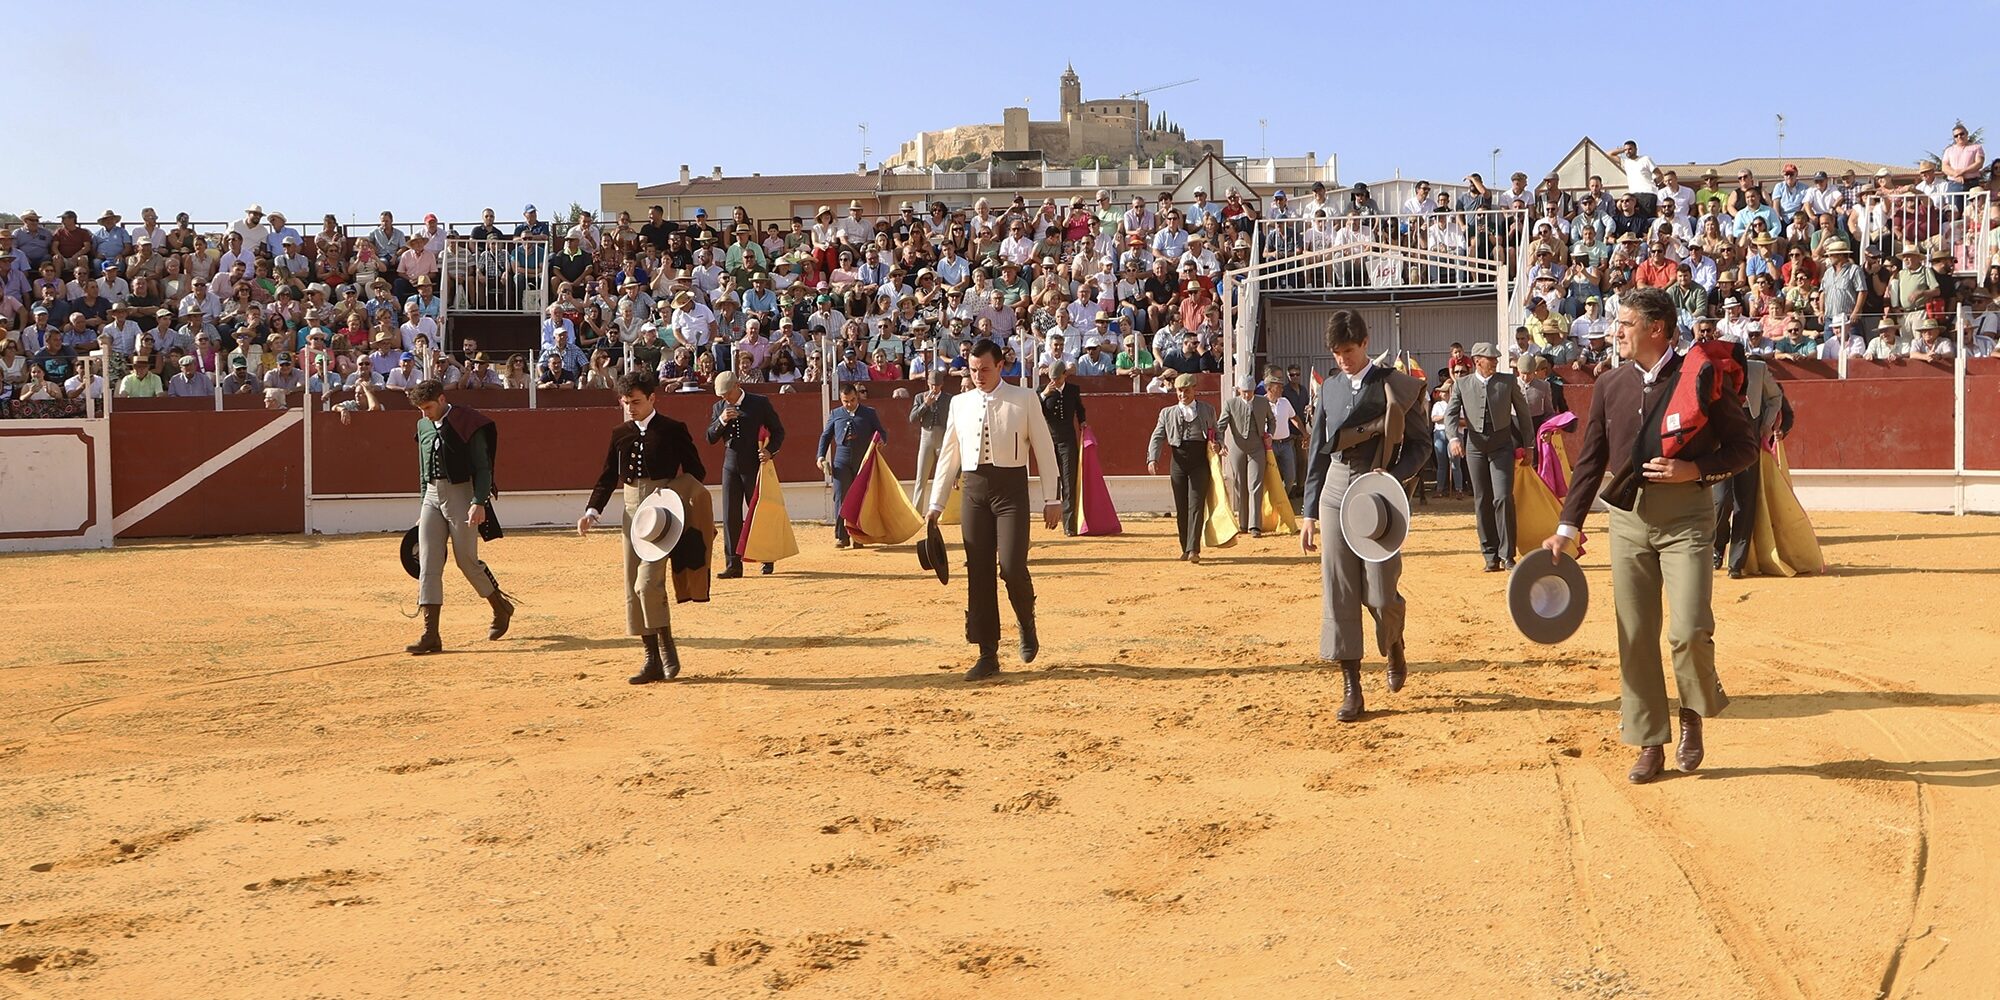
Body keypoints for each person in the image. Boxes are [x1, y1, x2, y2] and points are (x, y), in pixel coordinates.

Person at [1540, 287, 1758, 784]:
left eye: (1625, 324)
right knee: (1635, 634)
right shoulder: (1610, 383)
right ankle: (1649, 740)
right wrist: (1567, 528)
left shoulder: (1700, 375)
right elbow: (1590, 461)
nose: (1615, 331)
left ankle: (1692, 712)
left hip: (1687, 520)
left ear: (1656, 329)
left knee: (1689, 629)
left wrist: (1694, 470)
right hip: (1628, 522)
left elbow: (1744, 447)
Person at [1299, 310, 1430, 723]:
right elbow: (1318, 452)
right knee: (1339, 588)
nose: (1343, 360)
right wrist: (1309, 513)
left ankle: (1394, 645)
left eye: (1349, 351)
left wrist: (1392, 477)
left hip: (1376, 491)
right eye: (1337, 353)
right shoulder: (1330, 388)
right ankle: (1351, 687)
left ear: (1365, 343)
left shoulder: (1393, 383)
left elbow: (1421, 445)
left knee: (1380, 591)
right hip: (1337, 490)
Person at [925, 338, 1061, 681]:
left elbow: (1045, 449)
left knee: (1012, 566)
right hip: (973, 492)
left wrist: (1052, 498)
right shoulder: (960, 403)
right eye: (973, 370)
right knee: (978, 571)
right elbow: (949, 455)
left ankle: (1026, 621)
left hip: (1011, 491)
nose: (979, 375)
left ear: (1001, 365)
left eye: (985, 369)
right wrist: (936, 504)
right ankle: (987, 653)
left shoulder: (1024, 398)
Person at [577, 371, 708, 684]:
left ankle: (666, 647)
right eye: (626, 403)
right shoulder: (619, 433)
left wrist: (672, 499)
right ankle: (651, 659)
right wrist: (592, 511)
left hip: (663, 516)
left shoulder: (673, 429)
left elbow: (696, 472)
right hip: (632, 516)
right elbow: (608, 476)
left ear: (652, 398)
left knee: (646, 584)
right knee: (631, 587)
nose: (630, 408)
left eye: (635, 402)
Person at [403, 379, 513, 656]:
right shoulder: (423, 425)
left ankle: (500, 607)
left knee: (466, 560)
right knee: (428, 562)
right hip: (432, 495)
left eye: (428, 407)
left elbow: (483, 467)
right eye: (420, 409)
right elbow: (423, 469)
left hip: (462, 494)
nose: (424, 413)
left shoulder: (466, 421)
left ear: (442, 399)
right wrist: (422, 506)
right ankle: (430, 634)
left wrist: (479, 501)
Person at [1701, 322, 1785, 579]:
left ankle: (1736, 562)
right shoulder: (1713, 371)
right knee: (1721, 500)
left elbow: (1775, 398)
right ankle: (1717, 547)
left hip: (1749, 435)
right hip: (1722, 441)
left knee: (1745, 501)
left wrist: (1767, 425)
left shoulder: (1758, 369)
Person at [1445, 343, 1533, 571]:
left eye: (1495, 358)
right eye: (1490, 359)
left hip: (1501, 445)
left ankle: (1507, 554)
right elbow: (1450, 414)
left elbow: (1523, 414)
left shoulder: (1508, 381)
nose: (1495, 362)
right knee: (1482, 499)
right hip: (1475, 447)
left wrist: (1529, 445)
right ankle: (1490, 555)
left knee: (1503, 497)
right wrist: (1453, 438)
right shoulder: (1462, 384)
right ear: (1477, 361)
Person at [707, 370, 786, 577]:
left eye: (727, 393)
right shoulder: (719, 408)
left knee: (759, 513)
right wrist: (721, 421)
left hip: (755, 466)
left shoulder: (759, 403)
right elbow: (710, 437)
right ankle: (733, 565)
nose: (725, 398)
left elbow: (778, 431)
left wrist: (770, 451)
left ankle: (767, 558)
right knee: (730, 515)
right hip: (730, 466)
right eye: (721, 395)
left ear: (737, 386)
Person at [1147, 373, 1220, 562]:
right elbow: (1157, 436)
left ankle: (1193, 549)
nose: (1182, 394)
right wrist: (1152, 458)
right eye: (1180, 391)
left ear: (1194, 390)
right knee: (1182, 506)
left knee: (1196, 505)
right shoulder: (1167, 413)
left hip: (1199, 461)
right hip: (1178, 462)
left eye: (1186, 391)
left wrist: (1218, 445)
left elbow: (1216, 433)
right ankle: (1185, 548)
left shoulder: (1207, 410)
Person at [818, 382, 888, 549]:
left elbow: (881, 432)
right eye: (846, 401)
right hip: (841, 459)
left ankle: (859, 537)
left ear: (857, 397)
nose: (849, 404)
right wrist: (820, 456)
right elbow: (826, 436)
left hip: (863, 459)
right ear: (841, 399)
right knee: (840, 496)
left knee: (861, 497)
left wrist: (881, 441)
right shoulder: (835, 413)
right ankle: (842, 536)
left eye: (852, 400)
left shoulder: (869, 413)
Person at [1217, 376, 1275, 538]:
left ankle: (1254, 525)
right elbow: (1221, 426)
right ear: (1238, 390)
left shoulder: (1263, 402)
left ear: (1254, 390)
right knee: (1240, 485)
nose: (1247, 395)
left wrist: (1270, 434)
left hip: (1257, 447)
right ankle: (1243, 523)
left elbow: (1272, 420)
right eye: (1244, 392)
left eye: (1250, 392)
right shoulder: (1231, 404)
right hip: (1237, 447)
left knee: (1255, 485)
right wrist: (1220, 442)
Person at [1038, 360, 1087, 535]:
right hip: (1048, 442)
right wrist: (1044, 395)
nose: (1054, 382)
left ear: (1064, 375)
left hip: (1067, 442)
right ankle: (1052, 518)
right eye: (1051, 378)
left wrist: (1082, 422)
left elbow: (1080, 409)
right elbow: (1033, 411)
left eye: (1057, 378)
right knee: (1052, 482)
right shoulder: (1041, 391)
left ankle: (1069, 525)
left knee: (1068, 482)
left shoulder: (1073, 390)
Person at [909, 369, 950, 506]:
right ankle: (916, 512)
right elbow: (912, 418)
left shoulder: (948, 399)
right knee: (921, 477)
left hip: (943, 437)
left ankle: (941, 511)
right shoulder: (920, 397)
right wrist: (925, 404)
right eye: (932, 385)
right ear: (928, 383)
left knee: (944, 476)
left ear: (941, 384)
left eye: (937, 385)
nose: (934, 388)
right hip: (926, 437)